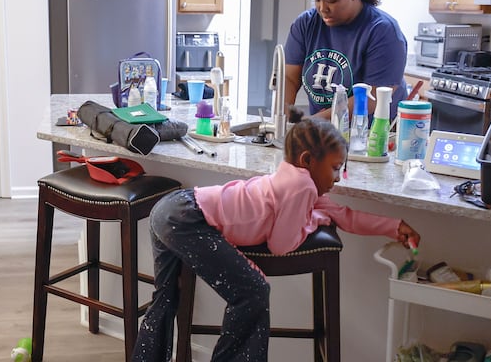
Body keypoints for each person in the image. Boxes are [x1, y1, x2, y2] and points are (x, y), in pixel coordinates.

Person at [131, 111, 420, 362]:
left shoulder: (295, 179)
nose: (338, 177)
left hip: (172, 208)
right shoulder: (302, 187)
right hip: (186, 220)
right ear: (308, 160)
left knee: (166, 296)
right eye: (335, 168)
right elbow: (282, 245)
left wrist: (393, 226)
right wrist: (315, 220)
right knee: (252, 291)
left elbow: (342, 214)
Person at [283, 0, 408, 122]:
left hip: (372, 134)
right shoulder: (306, 24)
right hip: (324, 130)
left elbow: (372, 99)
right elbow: (289, 77)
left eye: (332, 0)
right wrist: (283, 117)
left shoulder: (382, 31)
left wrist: (312, 122)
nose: (322, 8)